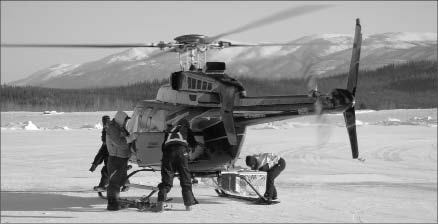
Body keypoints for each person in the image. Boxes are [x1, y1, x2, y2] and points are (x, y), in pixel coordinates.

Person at [155, 118, 198, 212]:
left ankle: (160, 203)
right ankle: (189, 205)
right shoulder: (187, 130)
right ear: (186, 125)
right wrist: (190, 150)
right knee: (185, 180)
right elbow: (193, 144)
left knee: (166, 181)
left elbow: (163, 147)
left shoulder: (170, 131)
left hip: (168, 154)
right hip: (182, 154)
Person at [105, 111, 132, 211]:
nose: (126, 123)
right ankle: (112, 204)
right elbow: (120, 143)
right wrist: (130, 139)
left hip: (121, 158)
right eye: (125, 120)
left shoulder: (119, 128)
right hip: (116, 158)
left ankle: (116, 201)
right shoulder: (112, 129)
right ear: (121, 119)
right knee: (114, 182)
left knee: (119, 182)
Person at [89, 115, 111, 192]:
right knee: (116, 172)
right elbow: (100, 155)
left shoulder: (113, 141)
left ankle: (103, 186)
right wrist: (94, 164)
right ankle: (125, 184)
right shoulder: (105, 144)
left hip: (115, 161)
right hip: (112, 162)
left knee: (106, 171)